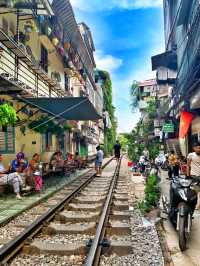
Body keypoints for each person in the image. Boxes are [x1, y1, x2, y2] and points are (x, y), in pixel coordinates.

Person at [187, 141, 200, 209]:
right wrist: (187, 174)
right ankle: (196, 204)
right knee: (195, 190)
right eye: (197, 148)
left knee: (198, 191)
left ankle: (197, 204)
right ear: (194, 148)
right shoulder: (191, 155)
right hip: (194, 176)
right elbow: (188, 165)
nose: (199, 149)